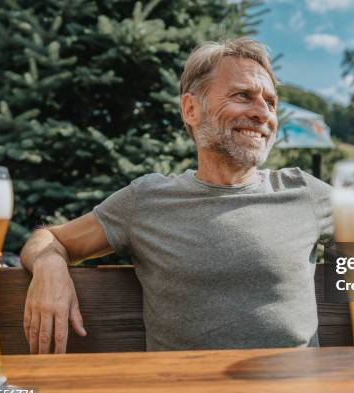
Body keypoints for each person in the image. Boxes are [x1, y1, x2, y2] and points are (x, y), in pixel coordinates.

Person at [20, 37, 332, 354]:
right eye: (243, 96)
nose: (262, 113)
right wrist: (49, 267)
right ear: (191, 109)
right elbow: (49, 240)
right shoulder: (146, 200)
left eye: (270, 102)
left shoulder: (304, 192)